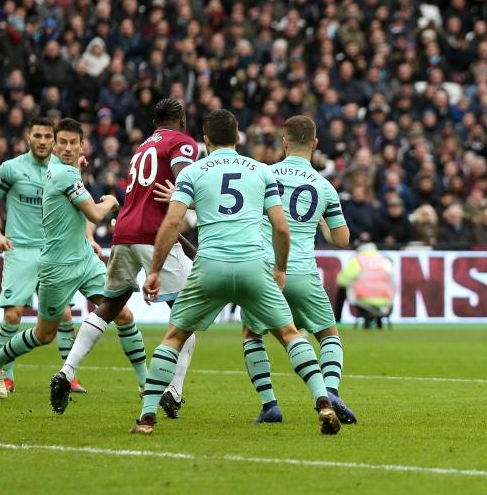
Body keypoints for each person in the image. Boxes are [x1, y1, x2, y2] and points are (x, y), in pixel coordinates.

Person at [131, 109, 341, 435]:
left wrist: (155, 270)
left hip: (209, 266)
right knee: (289, 334)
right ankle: (323, 402)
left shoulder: (193, 172)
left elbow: (172, 223)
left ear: (205, 139)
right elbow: (281, 228)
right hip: (254, 268)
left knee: (174, 336)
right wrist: (281, 268)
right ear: (238, 136)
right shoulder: (260, 171)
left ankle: (146, 418)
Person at [49, 99, 198, 417]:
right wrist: (188, 195)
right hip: (153, 237)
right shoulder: (181, 142)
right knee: (187, 316)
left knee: (110, 306)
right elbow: (183, 186)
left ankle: (67, 370)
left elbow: (147, 206)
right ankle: (173, 390)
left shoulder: (143, 147)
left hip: (124, 234)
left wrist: (186, 246)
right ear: (182, 121)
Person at [0, 118, 123, 400]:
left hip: (56, 250)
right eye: (38, 136)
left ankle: (69, 374)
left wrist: (89, 238)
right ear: (29, 137)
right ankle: (5, 376)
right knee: (13, 314)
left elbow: (82, 211)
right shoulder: (12, 168)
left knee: (64, 317)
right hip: (21, 248)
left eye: (47, 136)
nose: (43, 141)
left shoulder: (64, 169)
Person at [237, 115, 356, 424]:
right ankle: (329, 389)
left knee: (252, 334)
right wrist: (319, 222)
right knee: (329, 335)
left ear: (284, 143)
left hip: (265, 269)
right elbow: (342, 239)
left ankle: (269, 405)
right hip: (303, 271)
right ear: (315, 145)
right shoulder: (324, 186)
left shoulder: (263, 173)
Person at [336, 242, 395, 328]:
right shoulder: (384, 260)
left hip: (363, 300)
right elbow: (392, 282)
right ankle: (379, 321)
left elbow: (342, 280)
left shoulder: (357, 260)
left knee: (343, 288)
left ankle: (338, 320)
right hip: (385, 301)